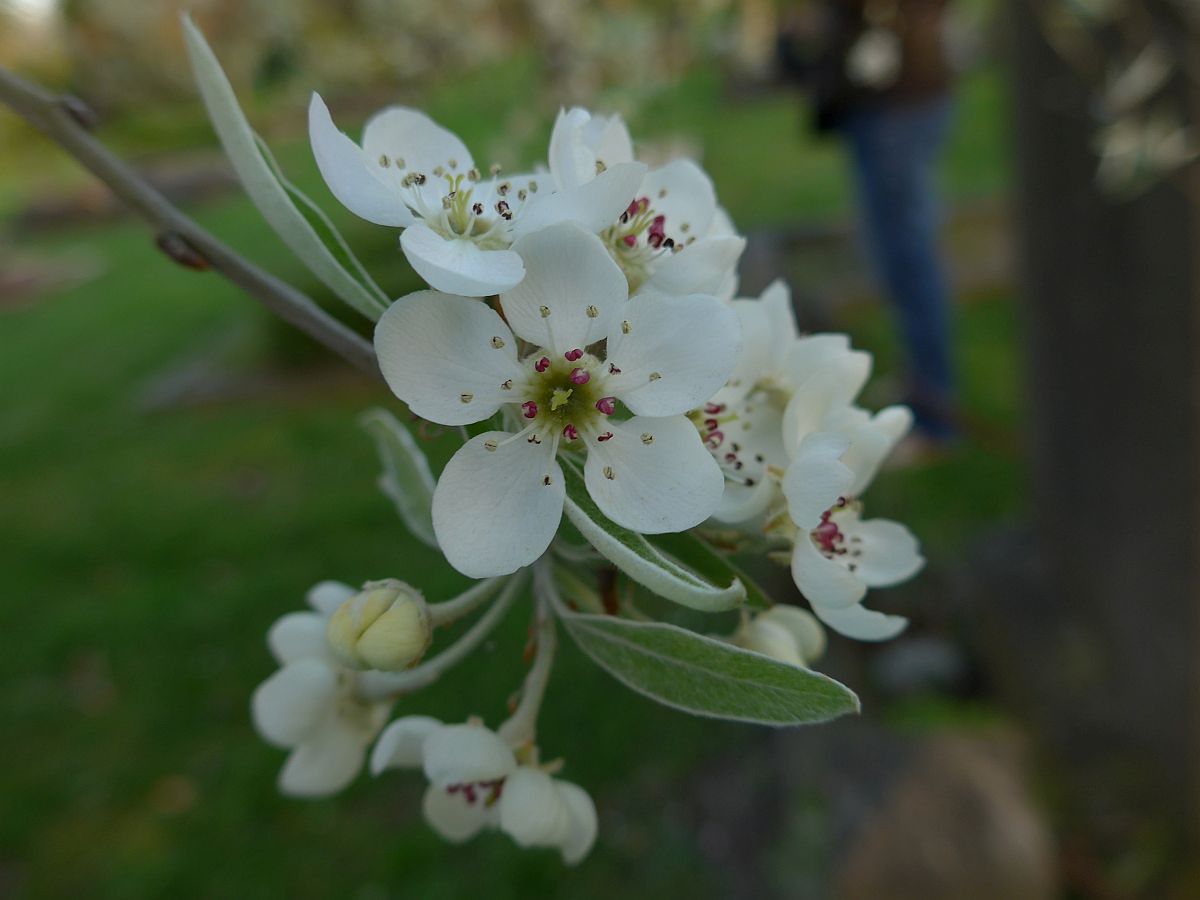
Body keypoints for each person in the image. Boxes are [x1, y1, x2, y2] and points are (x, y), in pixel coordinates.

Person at [779, 0, 959, 443]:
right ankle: (922, 387)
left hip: (899, 100)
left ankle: (935, 415)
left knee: (908, 259)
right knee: (894, 256)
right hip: (881, 100)